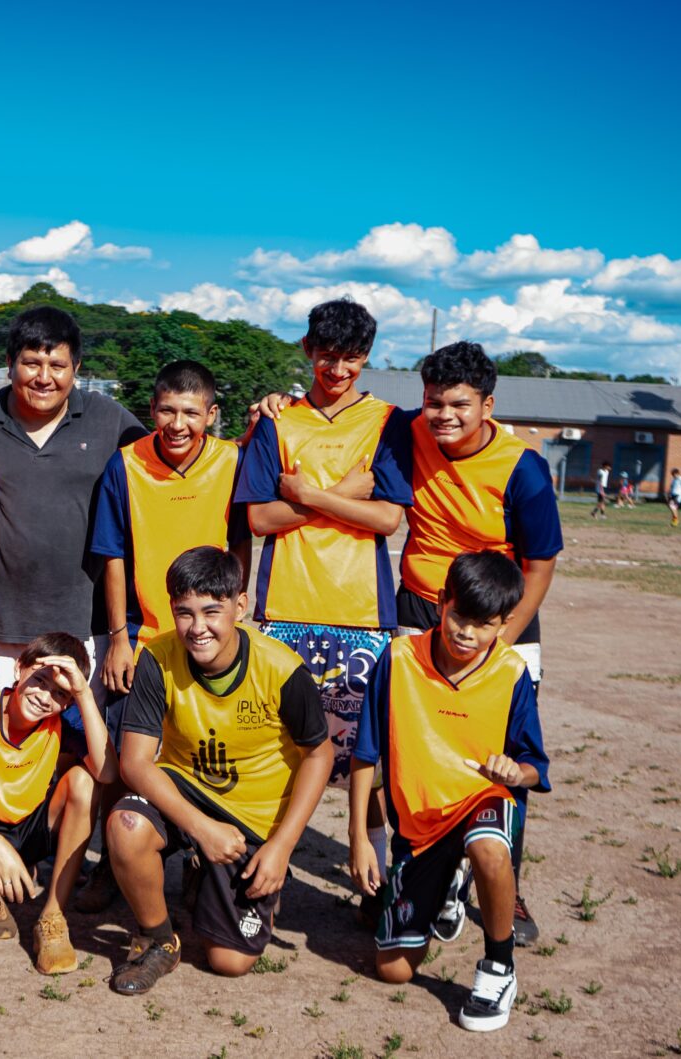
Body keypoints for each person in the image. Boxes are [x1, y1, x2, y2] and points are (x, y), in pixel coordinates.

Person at [235, 298, 412, 923]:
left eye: (353, 358)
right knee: (281, 755)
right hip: (285, 611)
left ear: (367, 358)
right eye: (329, 355)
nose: (339, 369)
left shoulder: (388, 421)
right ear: (309, 350)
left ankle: (378, 887)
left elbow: (389, 516)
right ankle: (265, 881)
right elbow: (259, 518)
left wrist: (307, 494)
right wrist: (341, 496)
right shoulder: (277, 423)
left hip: (363, 614)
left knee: (371, 764)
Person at [106, 547, 333, 994]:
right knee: (126, 824)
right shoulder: (157, 656)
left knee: (229, 962)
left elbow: (319, 755)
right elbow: (134, 762)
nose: (198, 627)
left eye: (212, 611)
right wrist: (202, 828)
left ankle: (215, 877)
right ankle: (158, 940)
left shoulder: (282, 669)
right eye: (184, 613)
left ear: (240, 607)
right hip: (188, 793)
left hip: (254, 816)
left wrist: (282, 847)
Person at [395, 342, 561, 946]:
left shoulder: (524, 468)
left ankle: (503, 886)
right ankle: (415, 880)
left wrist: (499, 643)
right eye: (434, 402)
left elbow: (540, 566)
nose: (444, 415)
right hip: (421, 607)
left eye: (460, 404)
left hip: (501, 619)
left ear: (487, 405)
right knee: (414, 749)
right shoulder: (406, 429)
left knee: (505, 756)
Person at [349, 551, 549, 1033]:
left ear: (502, 626)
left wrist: (511, 772)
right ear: (441, 602)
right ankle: (449, 883)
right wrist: (359, 835)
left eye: (482, 625)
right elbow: (365, 754)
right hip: (420, 826)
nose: (466, 632)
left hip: (482, 801)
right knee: (392, 970)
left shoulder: (511, 673)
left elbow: (533, 766)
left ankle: (499, 968)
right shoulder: (397, 660)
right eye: (459, 615)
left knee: (488, 846)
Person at [87, 360, 250, 903]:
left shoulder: (233, 461)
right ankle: (114, 863)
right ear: (151, 410)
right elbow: (112, 554)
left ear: (211, 414)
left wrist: (238, 609)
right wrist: (116, 635)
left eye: (190, 412)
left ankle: (203, 859)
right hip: (144, 631)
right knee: (121, 753)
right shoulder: (125, 465)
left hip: (211, 631)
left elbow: (243, 538)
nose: (177, 423)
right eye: (166, 410)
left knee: (204, 744)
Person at [0, 305, 146, 700]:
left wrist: (259, 428)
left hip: (87, 631)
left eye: (57, 365)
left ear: (76, 367)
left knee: (81, 752)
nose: (44, 378)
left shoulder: (107, 418)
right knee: (6, 748)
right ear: (10, 363)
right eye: (31, 363)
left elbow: (172, 451)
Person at [0, 634, 117, 974]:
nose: (44, 697)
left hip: (33, 825)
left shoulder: (63, 718)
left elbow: (107, 771)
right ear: (19, 668)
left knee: (84, 780)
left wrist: (82, 694)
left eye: (60, 693)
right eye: (39, 680)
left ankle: (52, 916)